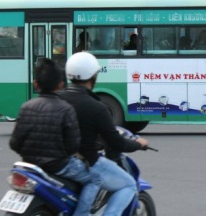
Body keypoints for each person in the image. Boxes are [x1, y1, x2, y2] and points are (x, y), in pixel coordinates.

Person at [60, 52, 149, 216]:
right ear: (92, 76)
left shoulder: (58, 99)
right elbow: (117, 143)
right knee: (128, 184)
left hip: (58, 160)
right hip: (85, 161)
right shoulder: (96, 107)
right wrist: (138, 144)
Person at [9, 58, 101, 216]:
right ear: (60, 85)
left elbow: (14, 143)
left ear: (36, 84)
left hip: (28, 164)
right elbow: (72, 146)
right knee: (95, 179)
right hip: (58, 165)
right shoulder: (65, 109)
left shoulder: (26, 107)